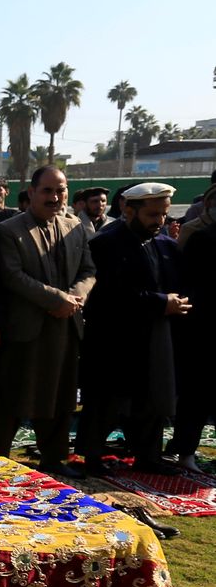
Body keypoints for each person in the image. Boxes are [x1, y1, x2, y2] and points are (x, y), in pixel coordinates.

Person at [0, 165, 96, 478]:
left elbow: (89, 271)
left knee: (61, 396)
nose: (54, 197)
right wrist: (55, 300)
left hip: (66, 325)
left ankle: (53, 459)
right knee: (12, 398)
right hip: (26, 329)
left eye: (60, 190)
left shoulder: (74, 226)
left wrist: (74, 299)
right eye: (47, 190)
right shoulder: (9, 230)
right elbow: (12, 276)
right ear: (32, 193)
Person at [76, 183, 188, 474]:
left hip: (154, 337)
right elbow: (111, 294)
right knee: (107, 400)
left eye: (163, 214)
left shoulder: (165, 244)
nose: (159, 221)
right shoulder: (106, 244)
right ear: (128, 209)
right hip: (114, 338)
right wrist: (162, 302)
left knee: (151, 399)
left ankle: (148, 456)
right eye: (152, 214)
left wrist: (175, 302)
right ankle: (93, 456)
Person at [169, 183, 216, 472]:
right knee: (196, 395)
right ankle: (185, 451)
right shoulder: (202, 239)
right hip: (203, 330)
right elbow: (188, 284)